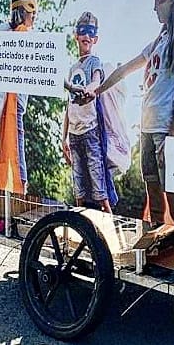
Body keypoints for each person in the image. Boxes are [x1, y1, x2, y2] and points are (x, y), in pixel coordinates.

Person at [91, 0, 174, 227]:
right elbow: (125, 69)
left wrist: (171, 137)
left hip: (164, 129)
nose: (154, 6)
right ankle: (158, 239)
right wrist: (97, 91)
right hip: (147, 128)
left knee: (173, 193)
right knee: (153, 190)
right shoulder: (159, 41)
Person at [62, 12, 113, 214]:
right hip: (74, 132)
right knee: (79, 180)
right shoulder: (72, 68)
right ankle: (80, 218)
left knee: (96, 177)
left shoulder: (94, 62)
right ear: (76, 35)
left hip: (90, 130)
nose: (87, 36)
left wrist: (91, 89)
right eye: (83, 31)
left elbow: (97, 80)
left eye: (91, 32)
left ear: (96, 38)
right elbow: (68, 106)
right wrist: (63, 136)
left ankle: (109, 216)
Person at [0, 0, 37, 195]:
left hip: (19, 102)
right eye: (32, 9)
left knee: (15, 141)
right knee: (13, 142)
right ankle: (20, 186)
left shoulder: (30, 35)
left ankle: (17, 186)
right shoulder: (2, 32)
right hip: (1, 104)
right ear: (22, 9)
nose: (34, 15)